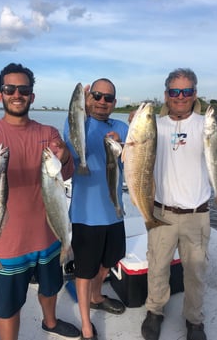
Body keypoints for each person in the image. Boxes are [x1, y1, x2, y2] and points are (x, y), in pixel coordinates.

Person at [0, 63, 81, 340]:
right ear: (0, 95)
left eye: (24, 89)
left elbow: (66, 172)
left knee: (50, 289)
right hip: (8, 244)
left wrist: (65, 156)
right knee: (8, 307)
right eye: (10, 89)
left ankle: (51, 322)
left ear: (32, 96)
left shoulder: (49, 133)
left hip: (50, 235)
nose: (17, 94)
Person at [140, 68, 215, 340]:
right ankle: (155, 311)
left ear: (195, 93)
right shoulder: (154, 126)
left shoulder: (206, 124)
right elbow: (134, 145)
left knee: (195, 271)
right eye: (174, 91)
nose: (180, 97)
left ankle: (194, 320)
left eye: (186, 91)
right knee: (157, 266)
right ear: (166, 95)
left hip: (197, 214)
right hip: (161, 211)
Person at [64, 78, 128, 340]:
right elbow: (71, 140)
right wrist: (82, 110)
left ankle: (96, 295)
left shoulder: (122, 127)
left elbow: (141, 146)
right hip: (86, 215)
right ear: (88, 100)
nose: (102, 101)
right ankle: (87, 326)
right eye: (97, 96)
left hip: (115, 211)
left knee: (109, 261)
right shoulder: (77, 124)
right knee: (84, 270)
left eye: (108, 98)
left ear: (114, 102)